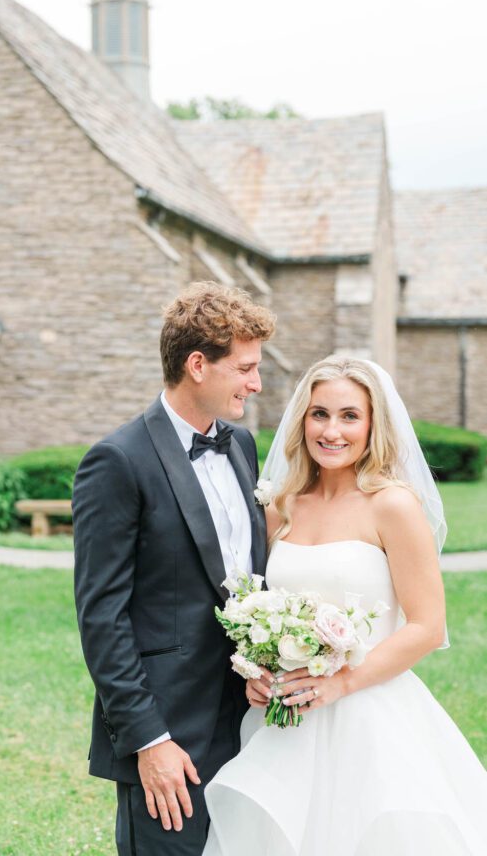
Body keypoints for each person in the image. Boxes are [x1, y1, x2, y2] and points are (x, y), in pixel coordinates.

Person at [203, 355, 487, 856]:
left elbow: (426, 624)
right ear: (302, 420)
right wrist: (258, 669)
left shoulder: (392, 505)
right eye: (319, 414)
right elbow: (262, 605)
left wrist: (342, 683)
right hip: (285, 719)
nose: (332, 430)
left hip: (369, 715)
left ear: (373, 424)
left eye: (349, 416)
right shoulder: (281, 506)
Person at [73, 282, 276, 856]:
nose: (255, 383)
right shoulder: (117, 461)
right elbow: (101, 617)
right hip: (169, 734)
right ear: (197, 365)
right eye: (245, 368)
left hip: (249, 721)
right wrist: (149, 740)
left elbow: (244, 578)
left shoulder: (241, 445)